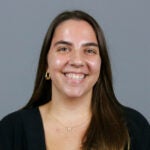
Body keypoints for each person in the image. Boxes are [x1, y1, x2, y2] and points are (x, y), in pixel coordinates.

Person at [0, 10, 149, 150]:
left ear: (101, 65)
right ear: (46, 64)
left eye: (89, 51)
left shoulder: (132, 127)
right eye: (64, 49)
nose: (77, 61)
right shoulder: (11, 130)